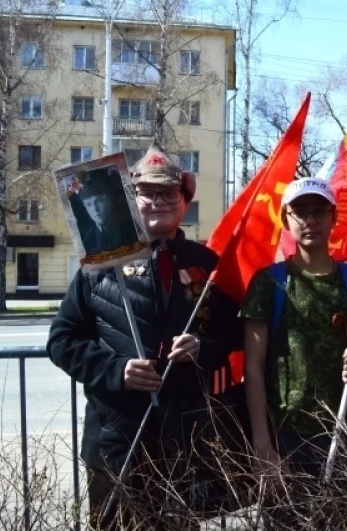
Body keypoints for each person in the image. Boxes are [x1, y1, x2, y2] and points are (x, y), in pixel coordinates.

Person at [46, 145, 241, 529]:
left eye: (169, 193)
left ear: (185, 201)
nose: (158, 201)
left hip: (186, 441)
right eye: (147, 193)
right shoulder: (98, 268)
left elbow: (231, 336)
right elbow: (62, 341)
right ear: (131, 199)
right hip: (117, 440)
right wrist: (116, 371)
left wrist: (204, 348)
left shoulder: (207, 266)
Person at [241, 177, 347, 526]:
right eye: (300, 211)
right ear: (285, 218)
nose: (310, 220)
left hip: (343, 433)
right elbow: (254, 368)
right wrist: (262, 444)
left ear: (334, 218)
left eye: (319, 211)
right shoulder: (269, 283)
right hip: (283, 438)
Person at [79, 166, 138, 255]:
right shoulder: (88, 239)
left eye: (99, 201)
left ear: (110, 201)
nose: (95, 209)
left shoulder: (129, 230)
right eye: (89, 204)